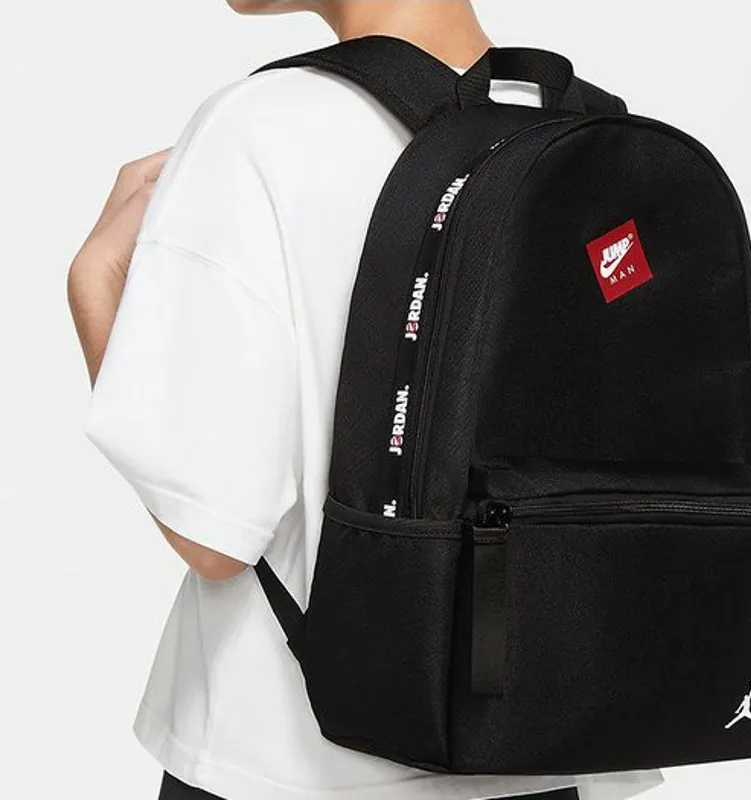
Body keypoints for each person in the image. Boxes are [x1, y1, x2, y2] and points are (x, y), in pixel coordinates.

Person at [67, 2, 665, 799]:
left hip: (290, 765)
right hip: (545, 755)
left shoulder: (258, 130)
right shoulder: (589, 132)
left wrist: (93, 288)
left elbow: (213, 537)